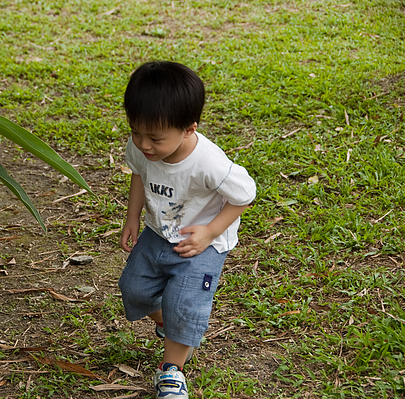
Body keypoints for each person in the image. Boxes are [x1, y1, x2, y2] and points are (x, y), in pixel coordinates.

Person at [118, 61, 256, 399]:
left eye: (155, 138)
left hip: (201, 244)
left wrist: (210, 232)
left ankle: (172, 372)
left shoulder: (208, 162)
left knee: (185, 304)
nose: (144, 144)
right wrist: (132, 217)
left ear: (189, 129)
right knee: (133, 288)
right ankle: (170, 325)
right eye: (136, 132)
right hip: (158, 232)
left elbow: (244, 195)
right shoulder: (140, 146)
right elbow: (138, 173)